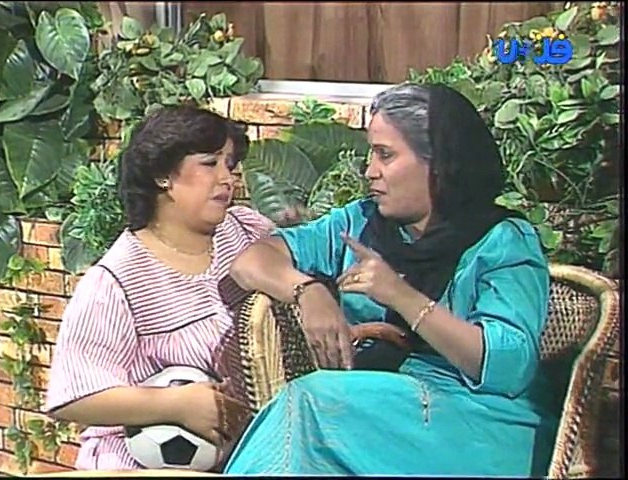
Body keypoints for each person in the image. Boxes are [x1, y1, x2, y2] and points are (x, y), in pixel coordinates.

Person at [224, 83, 559, 476]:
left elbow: (508, 368)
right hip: (379, 409)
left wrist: (401, 296)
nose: (370, 171)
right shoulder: (362, 223)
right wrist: (308, 291)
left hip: (480, 422)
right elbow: (251, 262)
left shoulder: (504, 241)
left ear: (438, 164)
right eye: (371, 154)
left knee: (313, 404)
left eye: (385, 154)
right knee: (313, 428)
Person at [45, 106, 276, 470]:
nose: (227, 178)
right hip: (137, 466)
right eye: (209, 163)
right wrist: (177, 406)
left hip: (250, 455)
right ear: (162, 175)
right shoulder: (117, 281)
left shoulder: (247, 232)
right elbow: (72, 398)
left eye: (229, 164)